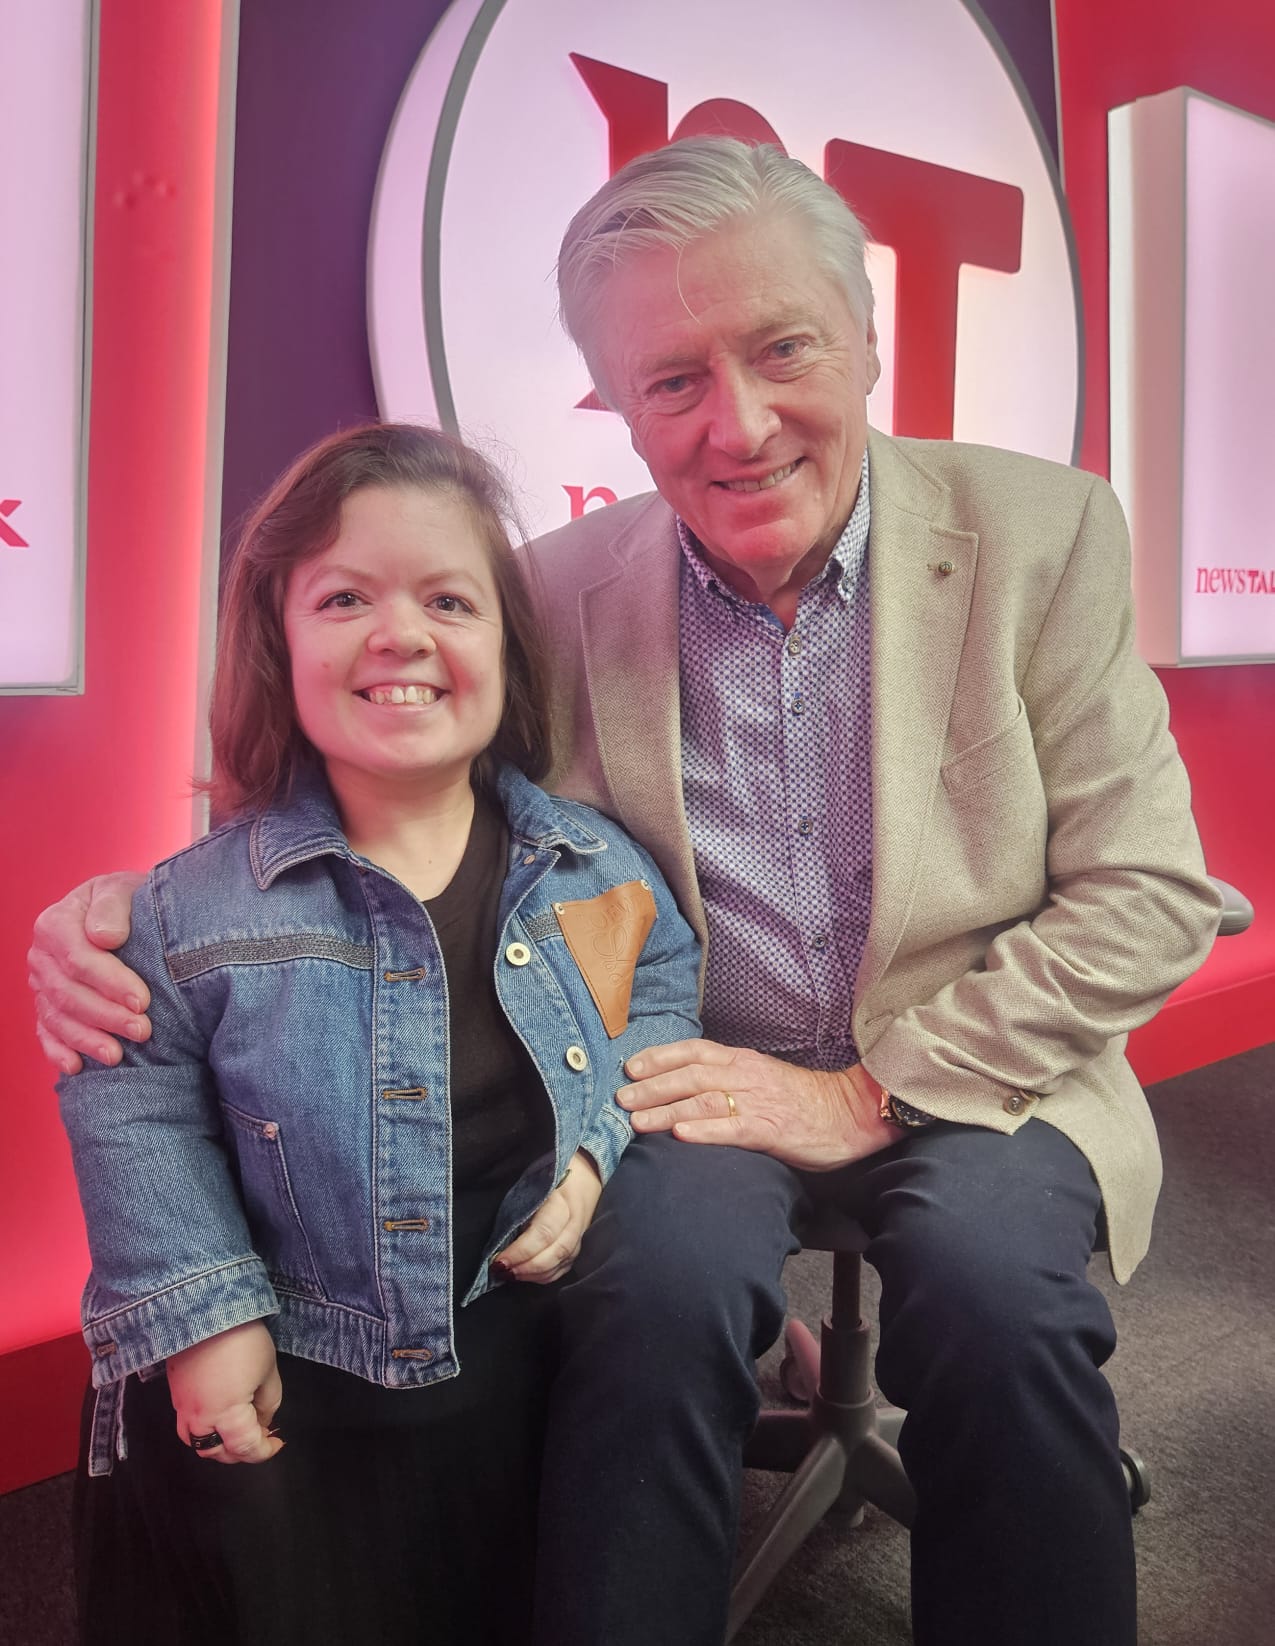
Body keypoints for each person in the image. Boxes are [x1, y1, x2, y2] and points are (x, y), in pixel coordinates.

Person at [31, 139, 1222, 1646]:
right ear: (612, 401)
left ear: (863, 333)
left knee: (996, 1298)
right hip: (672, 1074)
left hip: (971, 1061)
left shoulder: (1044, 535)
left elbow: (1147, 896)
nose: (737, 425)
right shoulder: (547, 586)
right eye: (670, 381)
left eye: (782, 346)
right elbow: (394, 779)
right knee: (645, 1302)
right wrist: (135, 900)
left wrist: (863, 1094)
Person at [47, 421, 700, 1646]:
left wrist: (597, 1145)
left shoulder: (591, 866)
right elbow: (129, 1103)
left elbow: (657, 993)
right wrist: (202, 1316)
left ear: (508, 645)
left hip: (491, 1390)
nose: (400, 634)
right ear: (277, 642)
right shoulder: (191, 909)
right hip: (273, 1399)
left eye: (449, 598)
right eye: (345, 596)